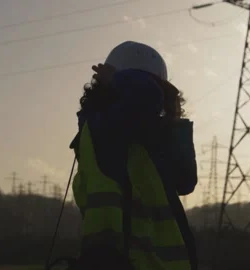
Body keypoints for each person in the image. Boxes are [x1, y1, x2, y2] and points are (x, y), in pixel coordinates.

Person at [68, 41, 198, 270]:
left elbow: (186, 180)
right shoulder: (104, 126)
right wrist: (120, 80)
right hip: (122, 259)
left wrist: (174, 126)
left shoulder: (149, 140)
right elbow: (146, 96)